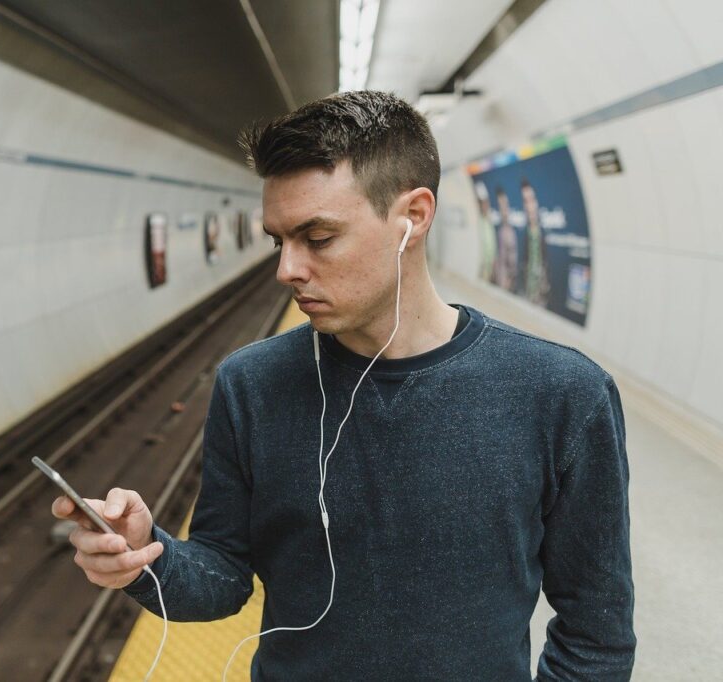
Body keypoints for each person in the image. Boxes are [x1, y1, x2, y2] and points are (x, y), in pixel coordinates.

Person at [51, 91, 636, 680]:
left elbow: (596, 633)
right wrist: (144, 556)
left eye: (319, 238)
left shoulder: (561, 395)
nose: (287, 269)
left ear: (413, 216)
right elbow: (224, 577)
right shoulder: (251, 385)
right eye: (280, 240)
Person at [521, 178, 551, 306]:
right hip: (527, 294)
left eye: (531, 200)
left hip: (542, 298)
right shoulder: (522, 235)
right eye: (525, 201)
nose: (529, 206)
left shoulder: (545, 234)